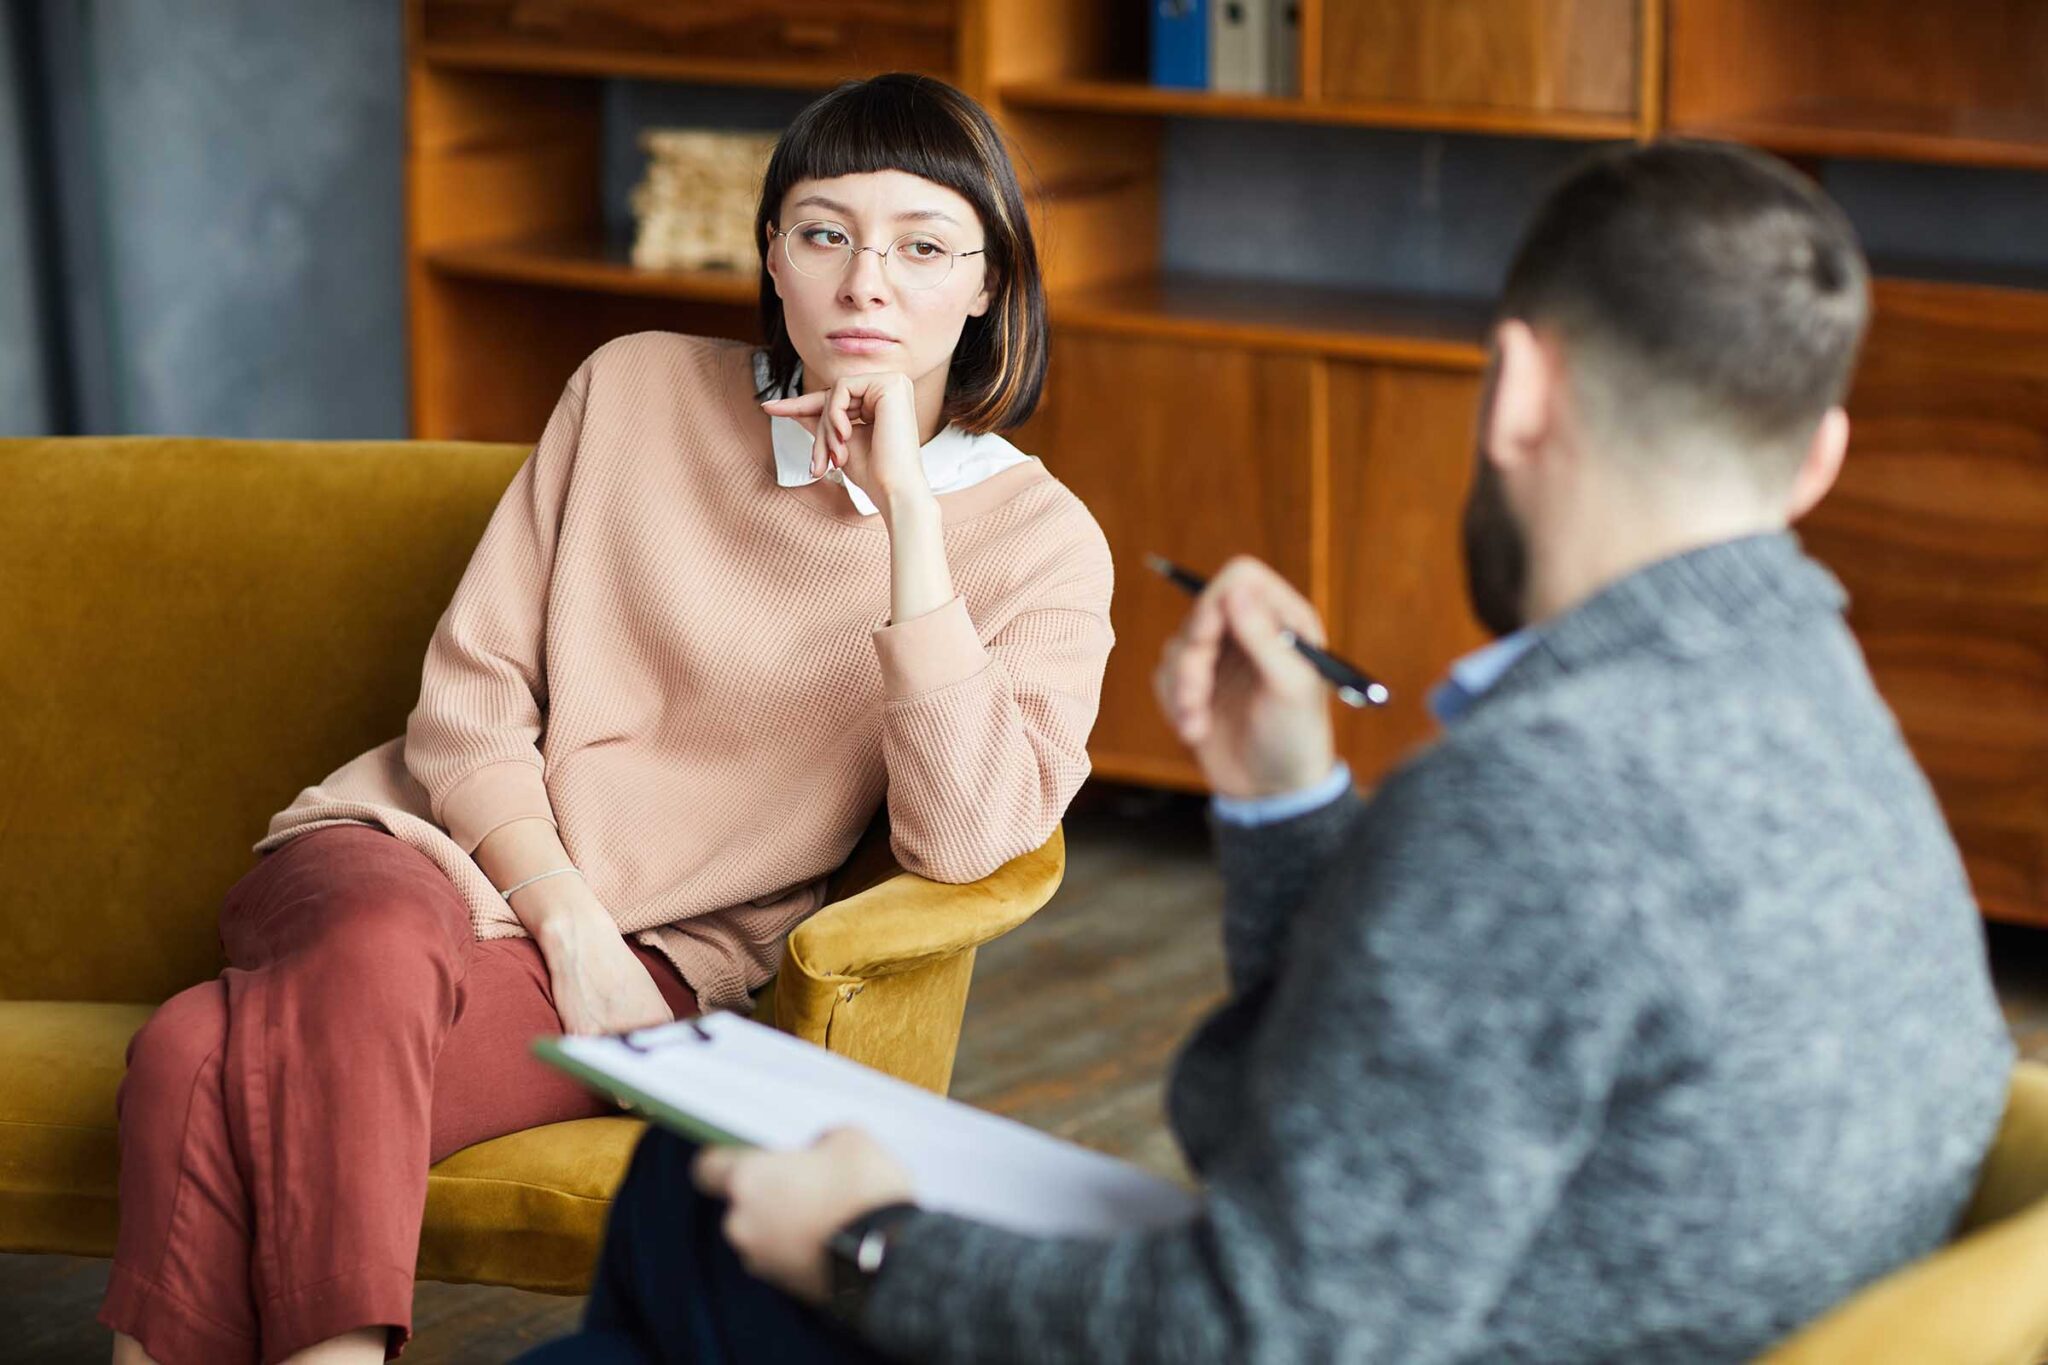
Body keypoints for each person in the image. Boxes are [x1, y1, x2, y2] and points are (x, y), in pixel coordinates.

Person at [518, 139, 2016, 1365]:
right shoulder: (1830, 707)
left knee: (685, 1230)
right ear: (1816, 459)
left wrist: (870, 1243)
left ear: (1524, 387)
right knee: (682, 1209)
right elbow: (1359, 1119)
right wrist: (1289, 797)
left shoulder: (1542, 797)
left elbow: (1265, 1312)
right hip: (1493, 1300)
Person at [101, 73, 1114, 1365]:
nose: (868, 282)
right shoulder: (630, 390)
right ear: (772, 255)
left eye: (923, 245)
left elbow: (965, 837)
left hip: (658, 959)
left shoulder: (1039, 544)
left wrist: (911, 519)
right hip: (410, 854)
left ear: (987, 285)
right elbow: (465, 713)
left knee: (194, 1055)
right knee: (363, 946)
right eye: (825, 232)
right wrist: (568, 918)